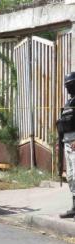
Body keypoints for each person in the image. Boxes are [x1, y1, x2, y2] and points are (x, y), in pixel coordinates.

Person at [57, 72, 75, 219]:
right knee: (70, 177)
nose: (68, 89)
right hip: (67, 142)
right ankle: (74, 207)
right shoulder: (69, 103)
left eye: (71, 85)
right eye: (67, 86)